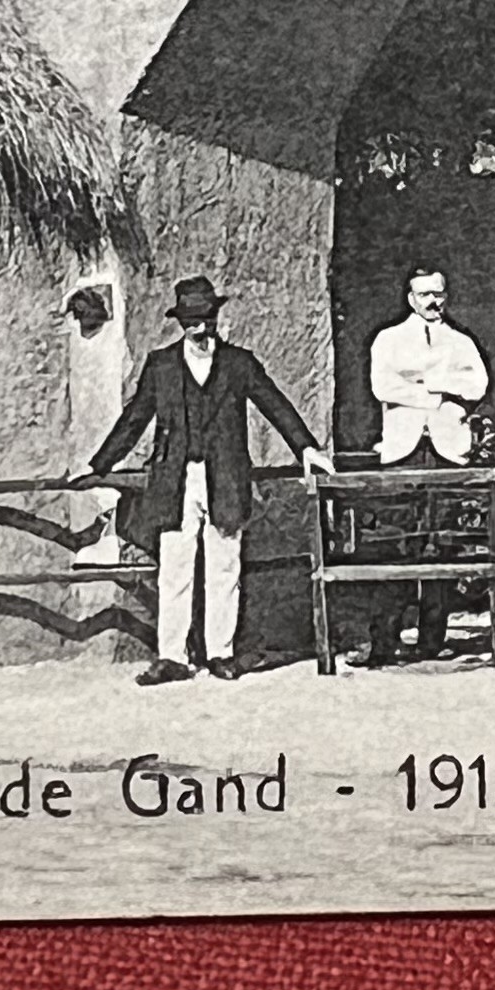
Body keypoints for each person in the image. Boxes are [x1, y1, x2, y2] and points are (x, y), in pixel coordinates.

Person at [84, 275, 330, 684]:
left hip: (225, 478)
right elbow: (135, 418)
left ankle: (221, 653)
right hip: (175, 481)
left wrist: (306, 448)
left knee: (225, 567)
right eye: (192, 320)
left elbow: (274, 404)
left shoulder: (239, 364)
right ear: (181, 322)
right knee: (174, 569)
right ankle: (172, 657)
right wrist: (99, 466)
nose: (201, 328)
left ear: (216, 317)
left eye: (207, 318)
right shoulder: (161, 365)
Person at [361, 267, 489, 662]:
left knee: (442, 544)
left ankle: (433, 639)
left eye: (438, 293)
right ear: (410, 298)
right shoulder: (389, 340)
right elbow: (383, 386)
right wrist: (436, 394)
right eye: (424, 295)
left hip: (447, 451)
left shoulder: (461, 342)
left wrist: (426, 383)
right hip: (403, 451)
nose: (432, 301)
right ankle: (385, 641)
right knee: (397, 544)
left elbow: (477, 385)